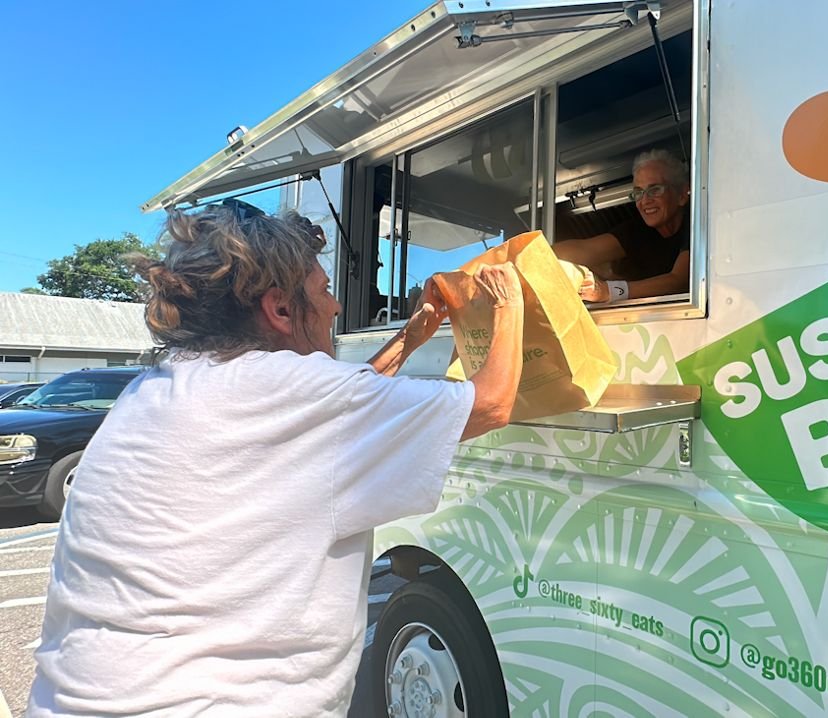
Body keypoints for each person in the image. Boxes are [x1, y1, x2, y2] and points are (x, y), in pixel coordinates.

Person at [27, 199, 524, 717]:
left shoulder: (159, 387)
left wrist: (411, 337)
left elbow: (336, 408)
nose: (336, 307)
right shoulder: (299, 392)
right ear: (281, 309)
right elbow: (491, 403)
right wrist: (510, 303)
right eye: (324, 291)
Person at [553, 148, 691, 303]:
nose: (645, 201)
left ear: (682, 195)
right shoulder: (639, 229)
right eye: (638, 193)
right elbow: (586, 249)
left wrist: (608, 291)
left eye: (655, 190)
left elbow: (679, 280)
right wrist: (538, 254)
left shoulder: (697, 224)